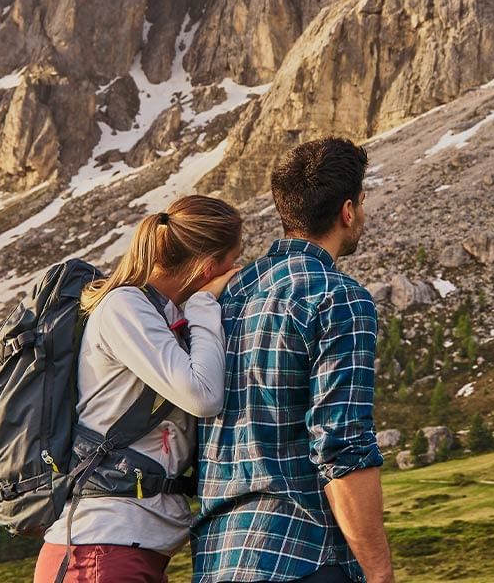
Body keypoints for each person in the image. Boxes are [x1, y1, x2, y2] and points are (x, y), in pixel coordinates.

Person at [193, 137, 393, 583]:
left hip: (219, 559)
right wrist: (380, 573)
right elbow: (342, 446)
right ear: (347, 211)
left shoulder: (224, 296)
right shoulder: (339, 298)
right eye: (361, 202)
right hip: (304, 555)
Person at [35, 194, 245, 583]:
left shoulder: (162, 313)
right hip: (100, 551)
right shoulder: (125, 308)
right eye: (233, 260)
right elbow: (203, 396)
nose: (234, 270)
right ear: (207, 267)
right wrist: (202, 306)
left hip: (126, 551)